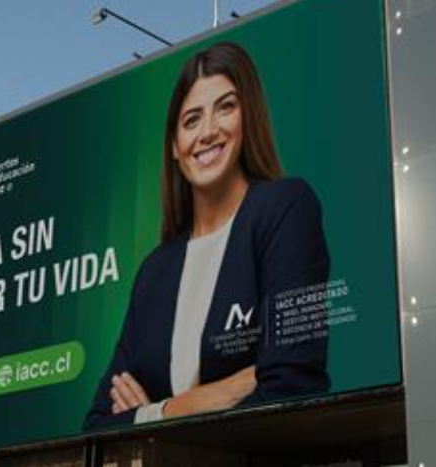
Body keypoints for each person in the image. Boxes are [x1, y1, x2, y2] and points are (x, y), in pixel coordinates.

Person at [82, 42, 331, 431]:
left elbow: (292, 387)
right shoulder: (155, 271)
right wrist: (191, 403)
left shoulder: (285, 209)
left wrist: (149, 414)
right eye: (191, 119)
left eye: (226, 107)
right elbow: (98, 424)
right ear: (174, 148)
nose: (209, 131)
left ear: (249, 116)